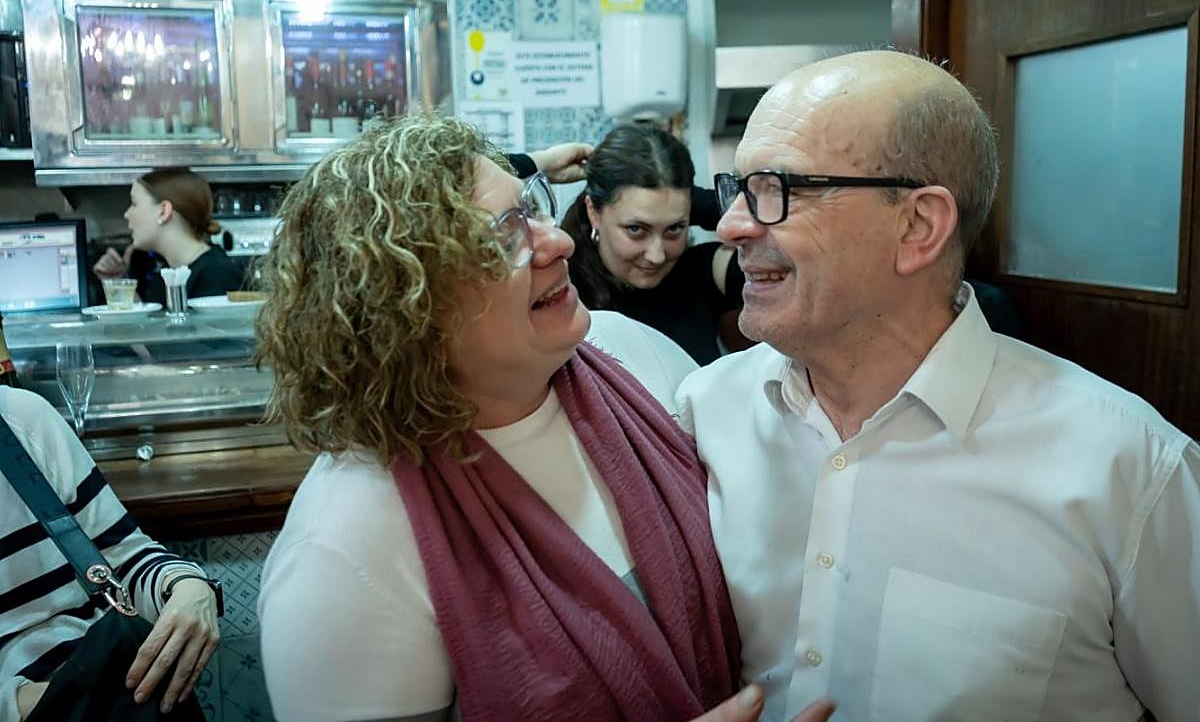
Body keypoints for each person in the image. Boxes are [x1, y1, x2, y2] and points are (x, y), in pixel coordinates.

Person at [677, 50, 1200, 721]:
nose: (732, 225)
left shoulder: (1129, 471)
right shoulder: (701, 414)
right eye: (738, 188)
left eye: (780, 188)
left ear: (918, 226)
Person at [255, 116, 749, 721]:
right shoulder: (343, 554)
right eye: (503, 238)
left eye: (533, 211)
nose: (557, 242)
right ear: (407, 304)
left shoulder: (632, 353)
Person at [0, 385, 221, 720]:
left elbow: (122, 562)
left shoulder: (21, 419)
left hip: (112, 684)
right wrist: (32, 702)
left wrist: (188, 586)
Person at [559, 124, 746, 364]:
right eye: (636, 229)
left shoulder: (701, 271)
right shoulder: (558, 287)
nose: (656, 256)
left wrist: (690, 202)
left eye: (674, 229)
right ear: (593, 212)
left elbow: (790, 248)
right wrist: (534, 163)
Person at [92, 167, 244, 306]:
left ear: (164, 211)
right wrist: (118, 283)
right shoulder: (168, 275)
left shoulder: (216, 275)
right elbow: (151, 329)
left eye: (134, 204)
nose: (127, 214)